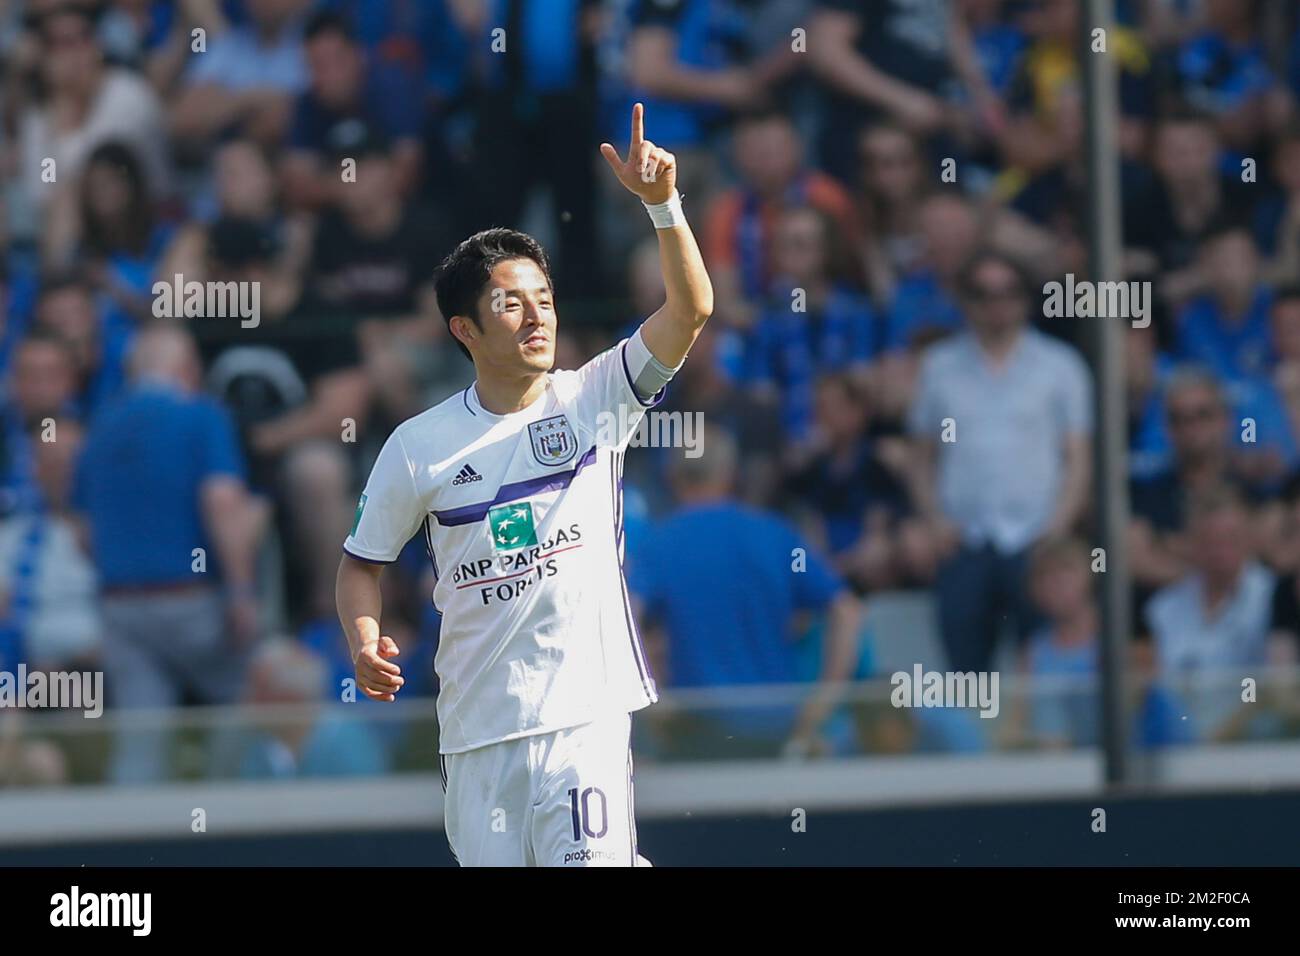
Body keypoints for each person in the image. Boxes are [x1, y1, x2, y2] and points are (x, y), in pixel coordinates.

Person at [336, 104, 712, 867]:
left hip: (585, 717)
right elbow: (361, 565)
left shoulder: (595, 398)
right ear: (465, 331)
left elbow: (692, 310)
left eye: (542, 297)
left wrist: (663, 206)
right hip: (478, 737)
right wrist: (364, 637)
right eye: (510, 303)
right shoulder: (418, 447)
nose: (536, 315)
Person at [74, 322, 262, 783]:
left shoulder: (99, 426)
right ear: (185, 368)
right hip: (191, 600)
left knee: (140, 743)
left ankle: (134, 845)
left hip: (119, 606)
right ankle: (225, 815)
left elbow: (81, 530)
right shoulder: (201, 415)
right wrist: (241, 590)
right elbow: (222, 501)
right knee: (248, 693)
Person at [907, 251, 1093, 673]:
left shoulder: (1060, 366)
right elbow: (921, 457)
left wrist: (1058, 528)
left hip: (1036, 539)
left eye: (1009, 292)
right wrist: (933, 520)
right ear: (965, 300)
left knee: (1046, 670)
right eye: (983, 293)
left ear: (1025, 298)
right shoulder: (939, 367)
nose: (997, 304)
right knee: (966, 676)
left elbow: (1079, 459)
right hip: (964, 540)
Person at [631, 423, 863, 759]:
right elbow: (847, 611)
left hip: (695, 734)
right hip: (776, 727)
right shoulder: (775, 535)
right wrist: (818, 710)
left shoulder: (659, 545)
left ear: (673, 476)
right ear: (730, 473)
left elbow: (624, 618)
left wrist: (653, 697)